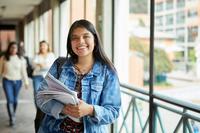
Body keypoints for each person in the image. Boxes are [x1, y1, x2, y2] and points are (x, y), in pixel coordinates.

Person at [36, 19, 121, 133]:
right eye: (75, 38)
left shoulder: (108, 72)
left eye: (86, 36)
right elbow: (41, 97)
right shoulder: (59, 65)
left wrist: (90, 110)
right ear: (70, 43)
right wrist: (63, 109)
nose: (80, 41)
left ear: (95, 40)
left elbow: (113, 111)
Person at [0, 41, 29, 127]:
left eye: (15, 48)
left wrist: (26, 82)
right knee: (10, 100)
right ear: (9, 48)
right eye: (11, 47)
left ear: (17, 49)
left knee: (15, 100)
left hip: (18, 82)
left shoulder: (21, 59)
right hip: (7, 81)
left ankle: (13, 114)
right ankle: (12, 118)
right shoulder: (3, 58)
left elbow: (24, 72)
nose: (13, 49)